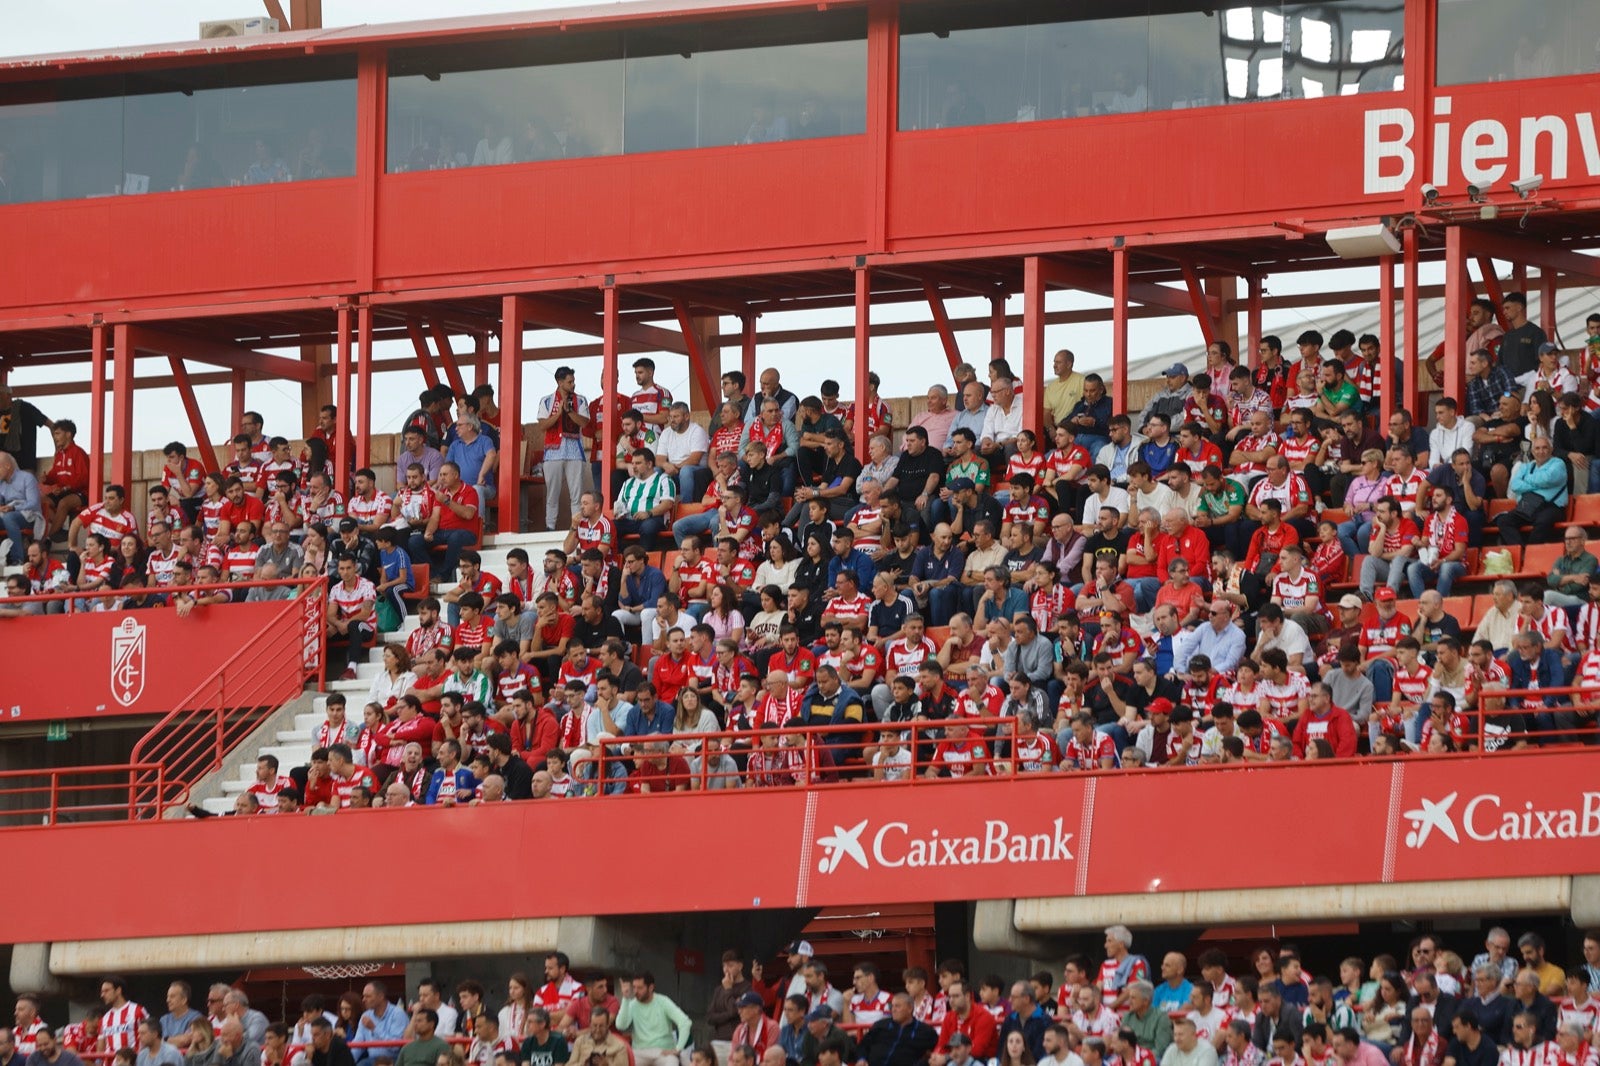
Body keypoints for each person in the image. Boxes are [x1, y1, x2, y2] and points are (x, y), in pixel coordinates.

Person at [535, 366, 591, 531]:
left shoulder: (580, 400)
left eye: (573, 381)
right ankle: (550, 526)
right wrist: (559, 413)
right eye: (569, 381)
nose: (573, 384)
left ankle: (576, 527)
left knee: (576, 493)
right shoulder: (547, 400)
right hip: (553, 452)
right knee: (552, 493)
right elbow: (542, 425)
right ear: (560, 382)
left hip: (574, 450)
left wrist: (570, 411)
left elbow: (584, 423)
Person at [617, 973, 692, 1066]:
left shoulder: (663, 1001)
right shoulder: (632, 1004)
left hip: (662, 1052)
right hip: (639, 1052)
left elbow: (685, 1022)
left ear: (651, 987)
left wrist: (678, 1049)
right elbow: (621, 1026)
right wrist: (625, 998)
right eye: (634, 987)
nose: (635, 991)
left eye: (640, 988)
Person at [614, 449, 677, 553]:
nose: (634, 466)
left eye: (638, 463)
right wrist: (619, 513)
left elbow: (667, 504)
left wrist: (648, 513)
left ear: (649, 464)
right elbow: (620, 503)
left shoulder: (664, 480)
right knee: (611, 527)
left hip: (654, 519)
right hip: (630, 520)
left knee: (648, 527)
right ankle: (622, 557)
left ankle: (641, 558)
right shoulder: (627, 483)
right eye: (632, 463)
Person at [855, 994, 937, 1066]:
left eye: (897, 1006)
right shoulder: (880, 1025)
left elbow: (937, 1052)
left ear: (910, 1009)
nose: (893, 1009)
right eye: (892, 1006)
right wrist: (861, 1059)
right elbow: (863, 1045)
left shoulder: (925, 1031)